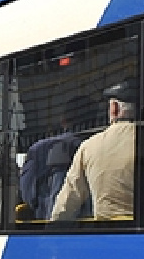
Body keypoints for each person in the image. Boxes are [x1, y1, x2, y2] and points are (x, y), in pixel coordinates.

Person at [49, 80, 137, 221]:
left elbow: (67, 202)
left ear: (114, 108)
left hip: (106, 235)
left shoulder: (89, 147)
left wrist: (52, 234)